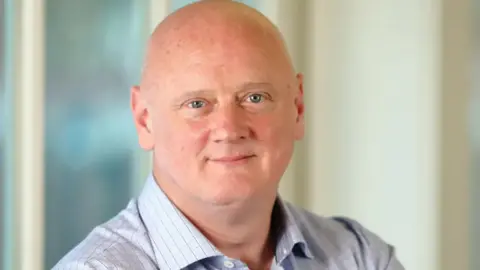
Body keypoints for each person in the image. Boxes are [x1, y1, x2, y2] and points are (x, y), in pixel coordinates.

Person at [53, 1, 404, 269]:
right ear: (145, 120)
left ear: (297, 108)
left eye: (254, 98)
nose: (228, 129)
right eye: (197, 104)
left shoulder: (359, 257)